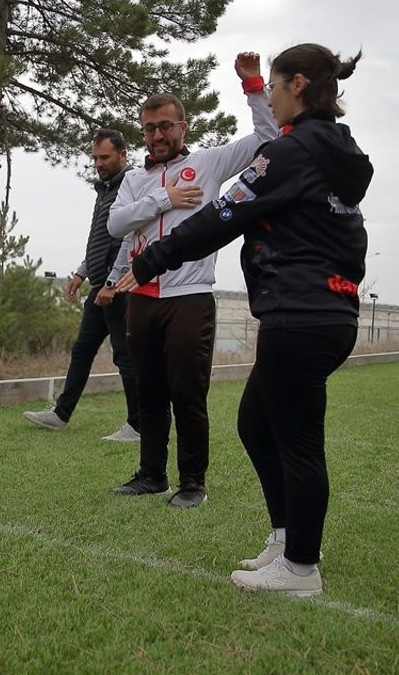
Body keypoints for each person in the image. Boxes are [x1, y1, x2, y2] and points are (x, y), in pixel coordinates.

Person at [115, 44, 372, 595]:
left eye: (275, 86)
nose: (272, 96)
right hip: (323, 310)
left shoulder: (291, 154)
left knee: (298, 440)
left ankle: (301, 568)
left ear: (297, 85)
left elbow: (221, 216)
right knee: (256, 424)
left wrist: (152, 258)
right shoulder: (335, 152)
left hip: (301, 314)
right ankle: (287, 538)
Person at [104, 52, 278, 508]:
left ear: (183, 127)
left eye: (166, 126)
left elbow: (267, 137)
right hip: (140, 296)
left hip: (190, 297)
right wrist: (165, 198)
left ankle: (193, 482)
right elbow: (116, 224)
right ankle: (150, 475)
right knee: (149, 393)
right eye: (149, 128)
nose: (157, 135)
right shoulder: (135, 179)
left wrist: (254, 86)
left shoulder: (209, 163)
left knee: (187, 394)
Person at [22, 128, 140, 442]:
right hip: (99, 284)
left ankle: (138, 424)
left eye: (105, 157)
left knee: (124, 355)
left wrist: (113, 283)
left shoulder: (132, 183)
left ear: (122, 154)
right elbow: (100, 239)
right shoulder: (104, 189)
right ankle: (61, 414)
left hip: (118, 287)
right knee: (82, 350)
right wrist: (82, 271)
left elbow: (128, 238)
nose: (98, 163)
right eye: (95, 158)